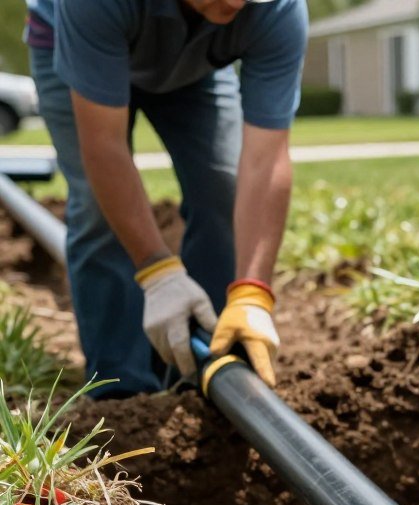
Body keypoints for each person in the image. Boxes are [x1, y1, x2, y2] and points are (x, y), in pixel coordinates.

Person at [24, 0, 308, 398]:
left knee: (221, 186)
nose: (234, 2)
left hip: (193, 65)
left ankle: (205, 367)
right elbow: (104, 147)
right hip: (77, 38)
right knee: (96, 206)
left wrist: (252, 292)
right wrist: (157, 273)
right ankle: (119, 390)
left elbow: (266, 158)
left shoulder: (275, 10)